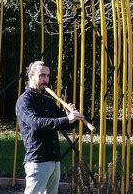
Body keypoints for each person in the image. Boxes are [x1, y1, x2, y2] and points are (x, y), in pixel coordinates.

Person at [16, 60, 85, 194]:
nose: (46, 79)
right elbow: (36, 124)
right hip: (38, 161)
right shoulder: (24, 101)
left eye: (47, 76)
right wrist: (66, 119)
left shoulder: (48, 101)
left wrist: (71, 116)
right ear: (30, 76)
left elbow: (64, 124)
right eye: (42, 75)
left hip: (54, 160)